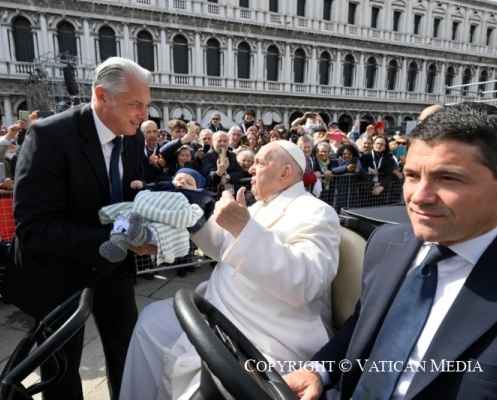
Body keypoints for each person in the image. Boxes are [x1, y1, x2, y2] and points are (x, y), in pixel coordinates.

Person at [284, 102, 497, 400]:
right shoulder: (386, 243)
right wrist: (318, 371)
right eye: (411, 176)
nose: (419, 197)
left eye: (448, 178)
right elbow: (364, 324)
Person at [120, 140, 340, 400]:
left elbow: (308, 282)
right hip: (220, 310)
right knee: (149, 322)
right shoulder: (259, 206)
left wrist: (243, 228)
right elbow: (225, 247)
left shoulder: (317, 212)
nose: (251, 170)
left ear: (285, 173)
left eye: (259, 162)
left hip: (264, 334)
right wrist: (193, 220)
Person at [2, 57, 154, 400]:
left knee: (128, 353)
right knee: (61, 373)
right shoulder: (49, 136)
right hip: (56, 273)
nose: (145, 116)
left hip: (113, 268)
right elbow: (34, 227)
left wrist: (155, 205)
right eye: (136, 104)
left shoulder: (131, 137)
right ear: (102, 96)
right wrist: (118, 238)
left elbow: (132, 190)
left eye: (147, 105)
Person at [98, 168, 215, 265]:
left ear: (197, 189)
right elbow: (149, 196)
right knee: (123, 215)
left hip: (167, 221)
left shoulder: (196, 200)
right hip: (147, 212)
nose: (182, 182)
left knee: (164, 230)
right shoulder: (164, 188)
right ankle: (118, 244)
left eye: (189, 183)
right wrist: (141, 188)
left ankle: (143, 235)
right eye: (179, 179)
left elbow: (197, 218)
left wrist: (190, 219)